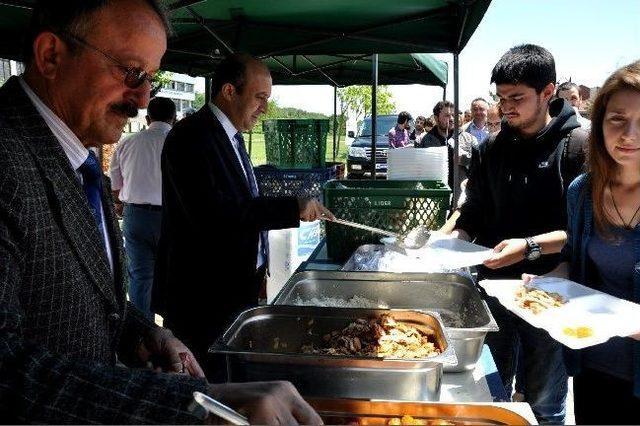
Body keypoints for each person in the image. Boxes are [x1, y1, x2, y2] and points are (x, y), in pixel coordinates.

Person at [0, 1, 322, 424]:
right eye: (131, 72)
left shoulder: (78, 153)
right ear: (51, 56)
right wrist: (194, 408)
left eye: (150, 78)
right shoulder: (9, 157)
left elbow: (89, 298)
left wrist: (144, 332)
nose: (143, 97)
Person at [153, 53, 333, 383]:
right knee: (209, 386)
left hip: (235, 287)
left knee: (232, 376)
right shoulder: (191, 137)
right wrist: (292, 208)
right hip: (202, 295)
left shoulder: (231, 136)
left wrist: (258, 266)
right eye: (259, 97)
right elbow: (215, 214)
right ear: (229, 91)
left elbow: (242, 200)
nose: (265, 107)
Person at [450, 44, 588, 424]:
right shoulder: (490, 147)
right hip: (493, 290)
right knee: (489, 394)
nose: (505, 107)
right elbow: (476, 208)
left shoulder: (577, 147)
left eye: (516, 98)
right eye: (500, 98)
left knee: (545, 400)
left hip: (551, 295)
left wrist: (528, 248)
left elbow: (585, 230)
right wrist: (455, 238)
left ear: (548, 92)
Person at [523, 61, 640, 425]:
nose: (629, 134)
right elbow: (573, 259)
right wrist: (547, 286)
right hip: (593, 367)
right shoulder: (582, 191)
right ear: (601, 122)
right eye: (617, 119)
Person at [109, 97, 176, 319]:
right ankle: (173, 334)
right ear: (174, 118)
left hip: (135, 216)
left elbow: (116, 190)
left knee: (140, 276)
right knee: (174, 275)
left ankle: (143, 336)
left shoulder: (127, 142)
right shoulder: (180, 143)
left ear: (147, 118)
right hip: (172, 218)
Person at [417, 100, 478, 206]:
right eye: (447, 115)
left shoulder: (468, 139)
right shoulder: (426, 141)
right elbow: (419, 170)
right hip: (435, 199)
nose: (451, 119)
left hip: (460, 199)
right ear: (436, 118)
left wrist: (464, 159)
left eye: (453, 115)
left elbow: (478, 165)